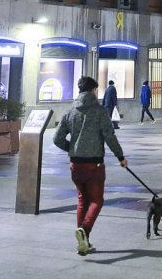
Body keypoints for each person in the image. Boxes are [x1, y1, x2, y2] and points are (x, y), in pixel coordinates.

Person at [53, 76, 127, 256]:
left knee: (82, 200)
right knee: (97, 200)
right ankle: (84, 231)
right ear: (93, 90)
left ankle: (83, 241)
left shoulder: (70, 112)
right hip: (94, 163)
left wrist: (71, 148)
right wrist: (120, 156)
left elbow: (57, 138)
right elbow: (109, 136)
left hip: (75, 164)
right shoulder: (99, 111)